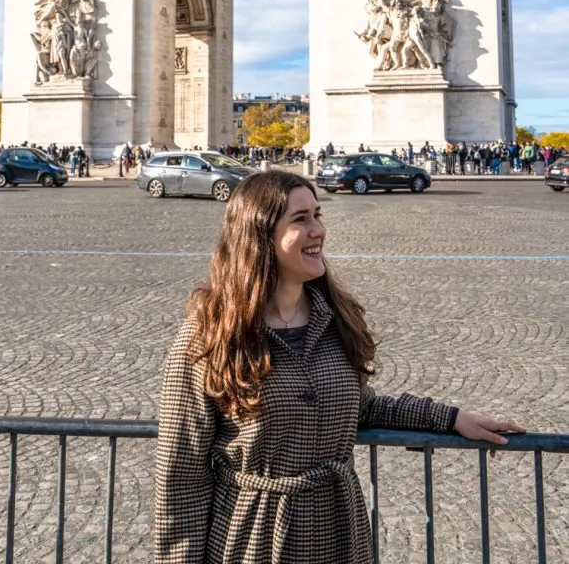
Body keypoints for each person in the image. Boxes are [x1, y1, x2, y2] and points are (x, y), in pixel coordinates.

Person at [155, 172, 523, 564]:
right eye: (300, 219)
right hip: (252, 540)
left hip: (339, 533)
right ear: (258, 233)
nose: (319, 231)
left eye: (318, 215)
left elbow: (359, 407)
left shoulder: (335, 319)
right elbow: (181, 477)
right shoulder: (210, 333)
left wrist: (451, 418)